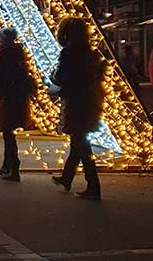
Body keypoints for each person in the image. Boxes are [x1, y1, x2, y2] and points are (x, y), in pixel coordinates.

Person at [50, 17, 106, 201]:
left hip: (76, 102)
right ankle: (68, 178)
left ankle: (93, 186)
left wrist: (53, 76)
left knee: (81, 144)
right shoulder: (91, 53)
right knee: (79, 142)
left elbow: (60, 77)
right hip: (91, 101)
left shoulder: (69, 53)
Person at [0, 27, 32, 182]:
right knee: (9, 133)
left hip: (7, 98)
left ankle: (13, 167)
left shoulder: (1, 55)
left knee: (8, 134)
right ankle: (7, 164)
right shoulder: (19, 54)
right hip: (19, 98)